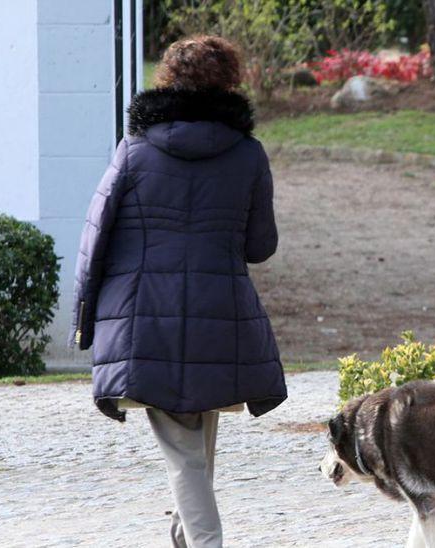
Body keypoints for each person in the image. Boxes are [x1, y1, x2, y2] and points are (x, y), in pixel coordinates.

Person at [70, 35, 286, 548]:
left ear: (167, 80)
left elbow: (93, 236)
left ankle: (203, 541)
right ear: (229, 83)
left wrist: (85, 320)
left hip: (147, 317)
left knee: (186, 447)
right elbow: (261, 246)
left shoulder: (134, 151)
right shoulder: (248, 154)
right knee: (195, 439)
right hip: (220, 313)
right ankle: (185, 536)